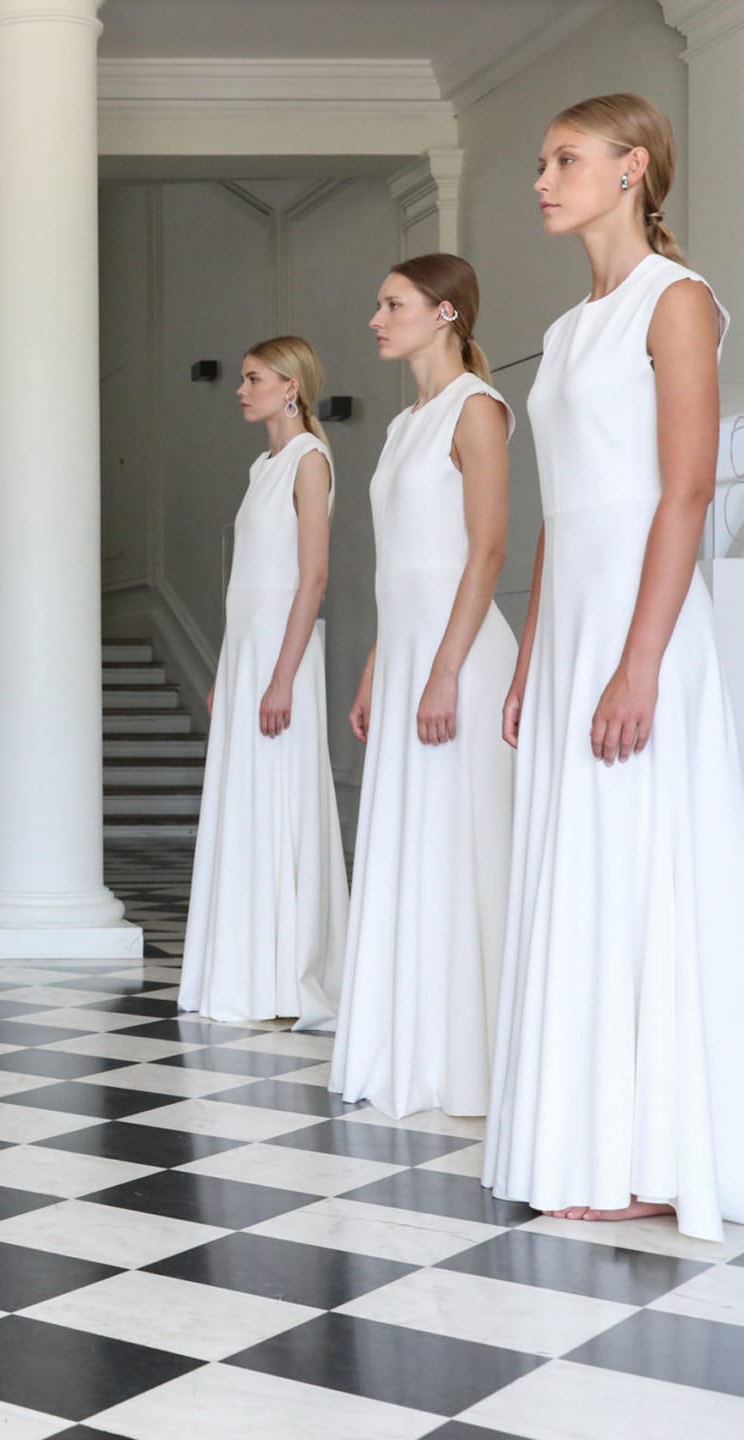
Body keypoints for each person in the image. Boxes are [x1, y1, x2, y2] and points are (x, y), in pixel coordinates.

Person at [485, 94, 744, 1240]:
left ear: (633, 168)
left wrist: (639, 664)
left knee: (640, 864)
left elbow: (682, 491)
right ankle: (584, 1133)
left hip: (645, 630)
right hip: (573, 632)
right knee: (576, 867)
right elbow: (560, 513)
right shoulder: (568, 326)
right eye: (542, 163)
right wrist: (531, 659)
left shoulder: (676, 300)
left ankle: (656, 1154)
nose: (543, 180)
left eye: (565, 160)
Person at [332, 256, 515, 1118]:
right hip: (409, 653)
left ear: (445, 313)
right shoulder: (405, 423)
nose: (376, 318)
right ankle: (412, 1044)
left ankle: (471, 1059)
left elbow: (487, 549)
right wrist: (379, 666)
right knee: (411, 844)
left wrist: (443, 671)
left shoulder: (477, 408)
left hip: (460, 658)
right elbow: (397, 566)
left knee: (460, 845)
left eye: (392, 303)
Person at [179, 336, 347, 1028]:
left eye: (254, 379)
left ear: (290, 387)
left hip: (283, 656)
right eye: (243, 378)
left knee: (279, 798)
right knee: (246, 801)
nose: (241, 390)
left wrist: (282, 677)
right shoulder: (263, 465)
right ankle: (248, 969)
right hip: (248, 654)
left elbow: (313, 577)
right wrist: (228, 666)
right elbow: (243, 583)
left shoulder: (309, 460)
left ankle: (285, 978)